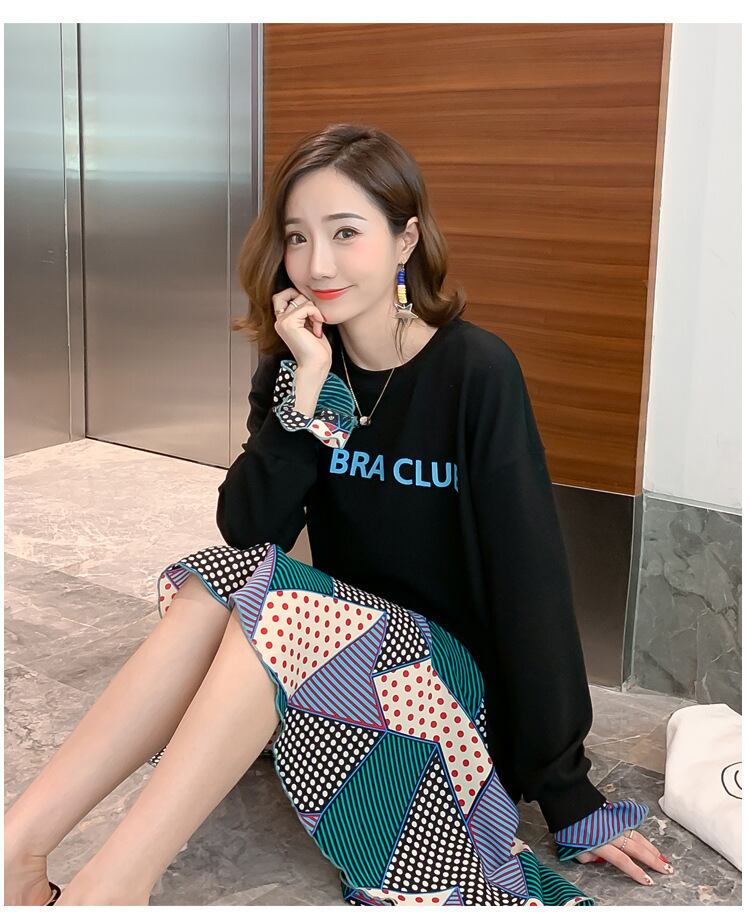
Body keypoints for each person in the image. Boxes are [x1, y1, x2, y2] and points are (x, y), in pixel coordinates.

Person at [4, 123, 674, 906]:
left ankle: (110, 891)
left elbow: (531, 582)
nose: (317, 263)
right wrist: (311, 392)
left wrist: (566, 790)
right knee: (231, 577)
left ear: (405, 241)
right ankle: (18, 851)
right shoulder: (300, 367)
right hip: (336, 663)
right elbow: (248, 531)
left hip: (444, 694)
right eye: (298, 237)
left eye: (346, 232)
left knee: (280, 606)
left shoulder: (475, 372)